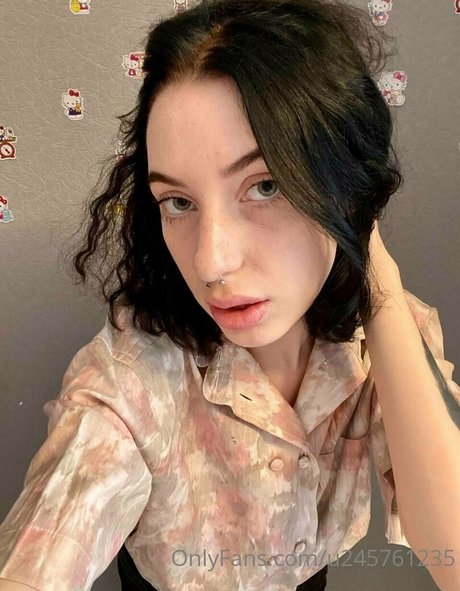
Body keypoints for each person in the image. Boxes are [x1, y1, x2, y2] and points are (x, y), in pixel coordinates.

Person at [0, 0, 459, 590]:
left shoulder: (381, 340)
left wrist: (374, 271)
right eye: (179, 202)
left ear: (343, 184)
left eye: (266, 185)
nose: (211, 263)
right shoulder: (132, 382)